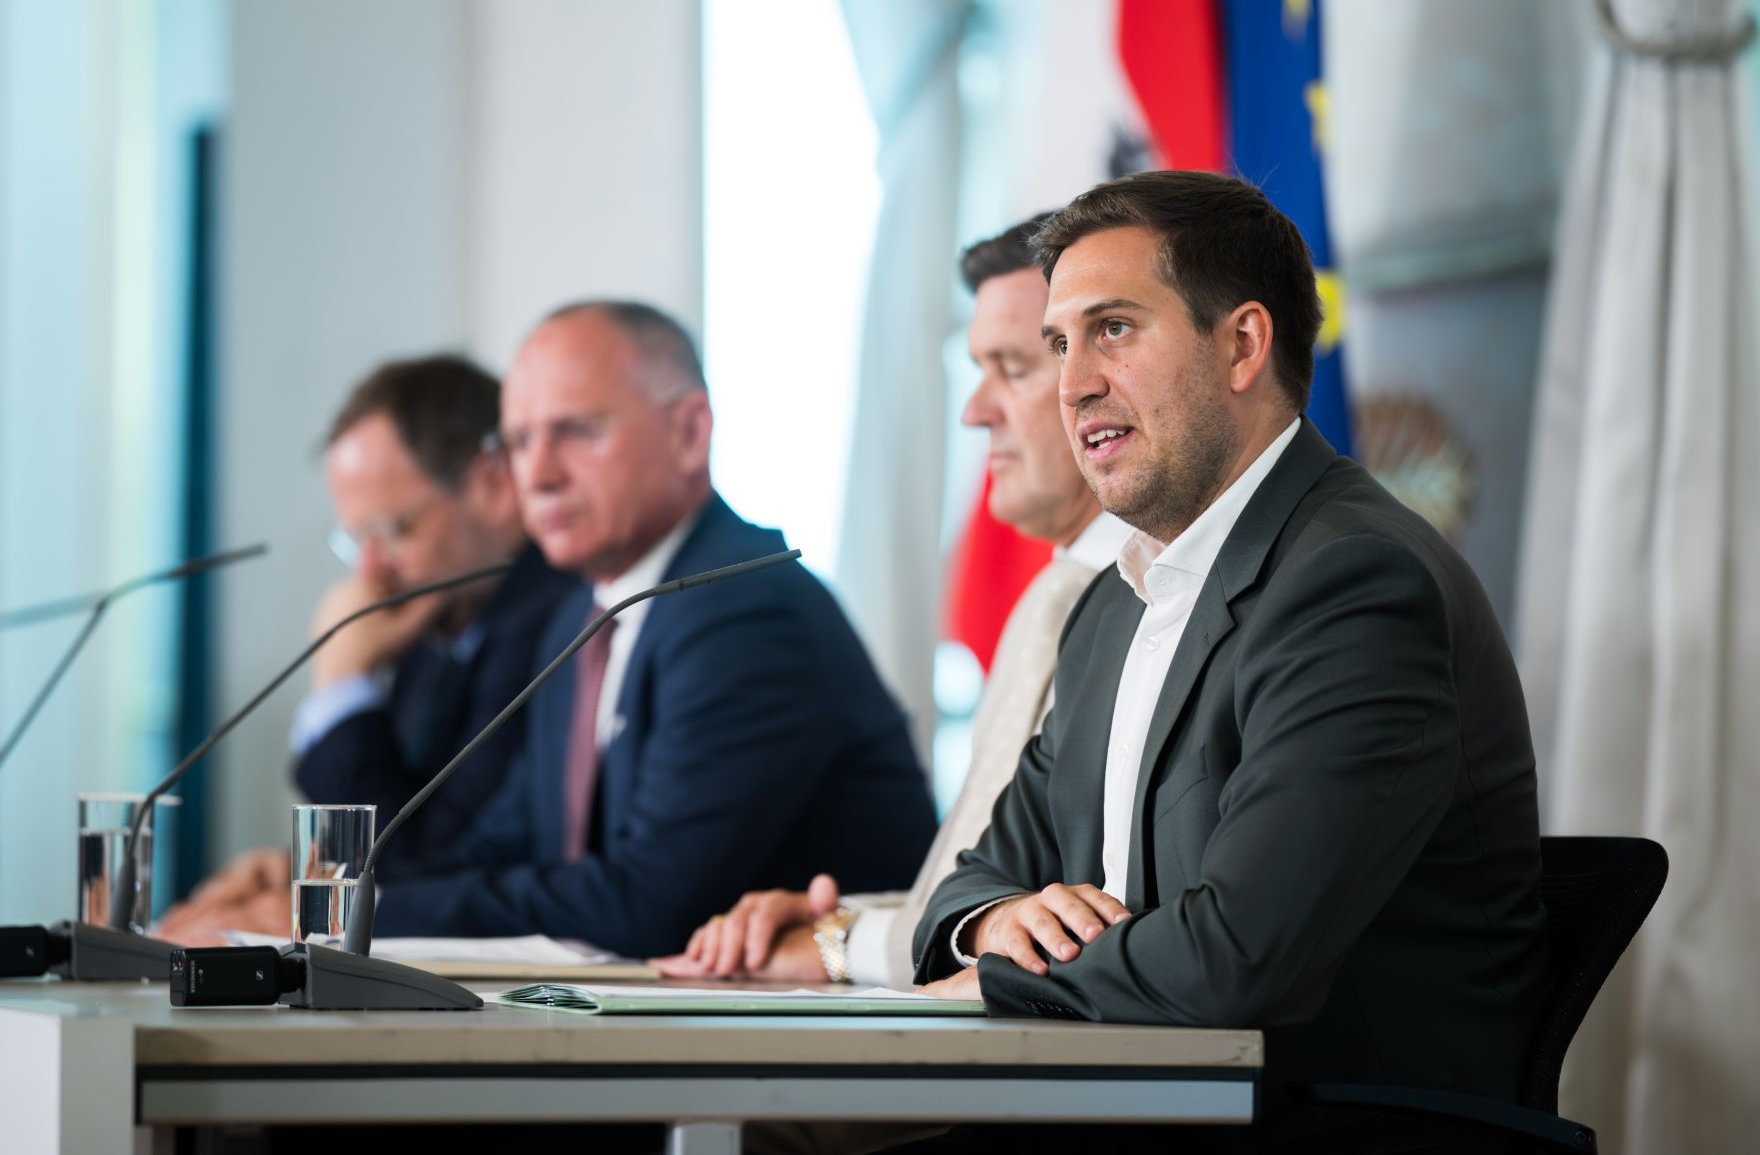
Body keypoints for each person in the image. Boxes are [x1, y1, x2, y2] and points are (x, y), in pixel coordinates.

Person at [908, 172, 1551, 1154]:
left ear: (1242, 344)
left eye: (1113, 328)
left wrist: (1004, 975)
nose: (1073, 381)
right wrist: (996, 925)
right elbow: (970, 886)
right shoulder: (1113, 601)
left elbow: (1234, 963)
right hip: (1114, 1111)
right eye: (1058, 342)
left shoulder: (1352, 584)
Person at [366, 301, 938, 958]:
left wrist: (374, 909)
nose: (541, 474)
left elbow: (652, 902)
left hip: (823, 1039)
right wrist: (343, 890)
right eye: (520, 441)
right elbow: (505, 845)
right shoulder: (577, 619)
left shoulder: (743, 605)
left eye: (577, 431)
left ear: (689, 433)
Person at [655, 216, 1132, 989]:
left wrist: (840, 944)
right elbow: (980, 898)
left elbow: (1076, 919)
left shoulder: (1153, 602)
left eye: (1012, 368)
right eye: (977, 369)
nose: (975, 412)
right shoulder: (1053, 595)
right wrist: (834, 924)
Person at [158, 356, 574, 938]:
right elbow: (407, 835)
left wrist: (340, 683)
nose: (371, 568)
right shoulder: (434, 626)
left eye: (395, 530)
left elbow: (425, 863)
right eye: (356, 538)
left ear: (494, 484)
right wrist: (293, 870)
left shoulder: (560, 619)